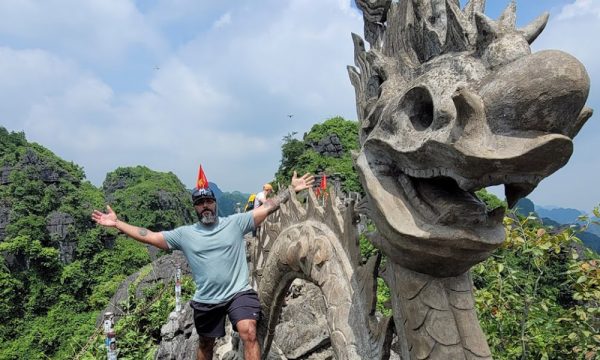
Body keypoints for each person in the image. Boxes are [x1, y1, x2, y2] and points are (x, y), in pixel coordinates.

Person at [91, 171, 314, 360]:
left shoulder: (236, 223)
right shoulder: (184, 234)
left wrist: (291, 190)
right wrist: (117, 223)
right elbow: (148, 235)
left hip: (239, 292)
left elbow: (269, 207)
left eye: (208, 201)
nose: (205, 206)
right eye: (199, 203)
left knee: (249, 331)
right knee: (206, 344)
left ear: (215, 203)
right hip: (207, 299)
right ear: (195, 208)